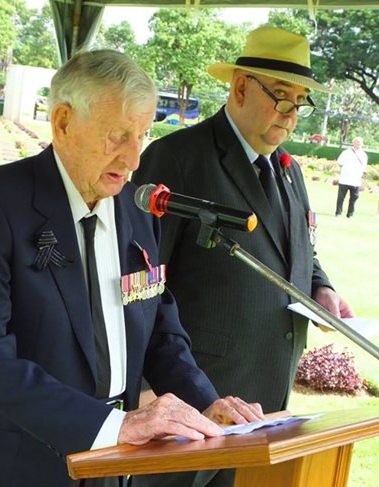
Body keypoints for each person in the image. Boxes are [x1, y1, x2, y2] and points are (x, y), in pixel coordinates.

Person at [0, 49, 264, 487]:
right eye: (118, 136)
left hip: (116, 462)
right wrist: (110, 426)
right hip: (19, 463)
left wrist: (207, 404)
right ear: (62, 123)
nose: (134, 159)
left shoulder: (137, 211)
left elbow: (161, 332)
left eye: (143, 135)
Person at [131, 26, 354, 487]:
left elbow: (301, 250)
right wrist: (162, 388)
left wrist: (322, 286)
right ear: (239, 87)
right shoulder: (178, 159)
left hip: (268, 398)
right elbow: (143, 284)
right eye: (282, 97)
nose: (292, 115)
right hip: (197, 400)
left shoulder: (289, 171)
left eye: (300, 102)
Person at [335, 136, 368, 218]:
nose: (358, 144)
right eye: (356, 142)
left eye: (360, 142)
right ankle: (338, 213)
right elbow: (339, 163)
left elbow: (364, 167)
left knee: (354, 199)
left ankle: (350, 214)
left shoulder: (364, 155)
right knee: (341, 198)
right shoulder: (346, 152)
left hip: (356, 181)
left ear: (362, 144)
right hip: (345, 179)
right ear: (353, 143)